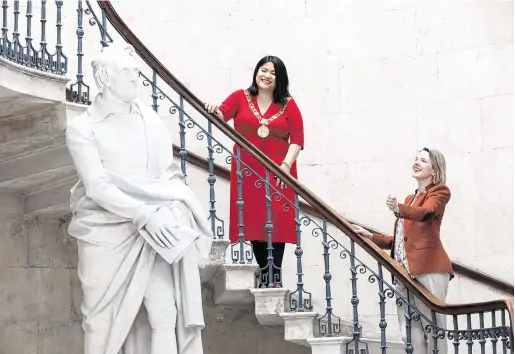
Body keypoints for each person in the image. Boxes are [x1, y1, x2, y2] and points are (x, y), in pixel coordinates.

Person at [65, 44, 213, 354]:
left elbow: (167, 173)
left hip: (155, 232)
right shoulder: (83, 127)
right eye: (128, 72)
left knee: (164, 314)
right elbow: (97, 186)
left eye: (137, 71)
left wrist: (176, 202)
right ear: (105, 79)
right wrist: (143, 213)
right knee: (100, 322)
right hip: (105, 233)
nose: (137, 77)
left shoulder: (148, 117)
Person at [204, 55, 304, 287]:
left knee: (277, 223)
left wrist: (286, 167)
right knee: (256, 221)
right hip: (247, 171)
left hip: (280, 172)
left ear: (280, 79)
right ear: (256, 72)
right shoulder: (241, 97)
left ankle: (273, 277)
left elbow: (297, 139)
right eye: (263, 70)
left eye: (273, 72)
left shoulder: (289, 104)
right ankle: (264, 272)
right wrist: (212, 109)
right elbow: (222, 115)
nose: (267, 75)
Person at [353, 147, 453, 354]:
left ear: (434, 169)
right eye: (416, 159)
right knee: (411, 331)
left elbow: (426, 213)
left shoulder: (440, 192)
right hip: (403, 273)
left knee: (433, 328)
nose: (416, 162)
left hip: (429, 269)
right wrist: (371, 236)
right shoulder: (410, 199)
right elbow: (400, 240)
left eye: (423, 160)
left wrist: (398, 209)